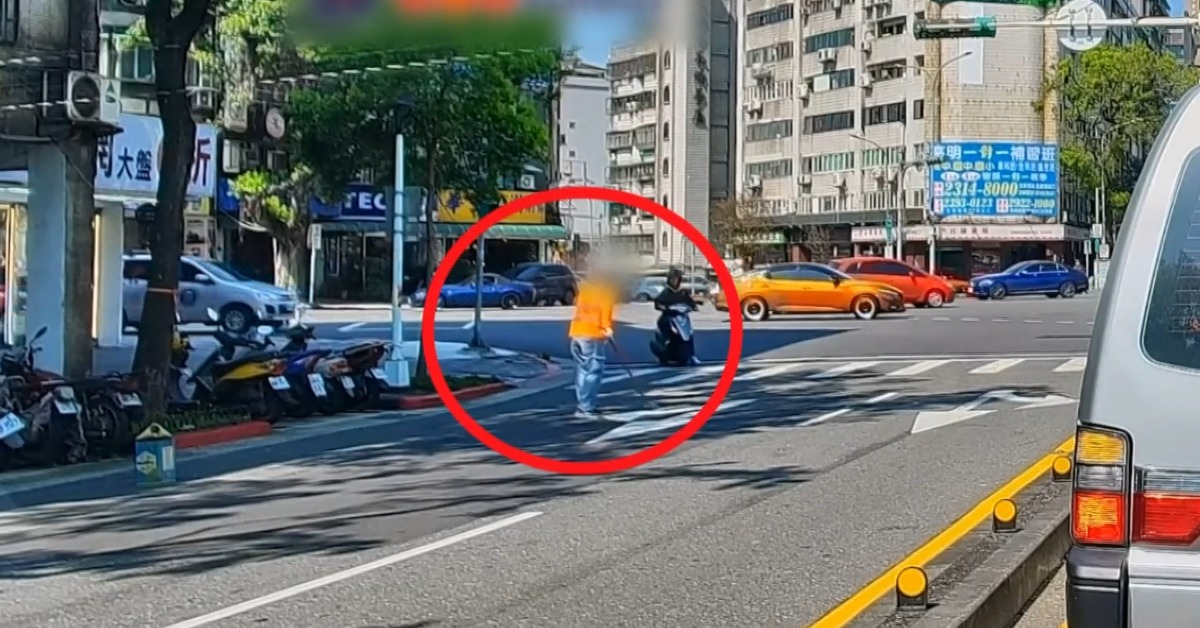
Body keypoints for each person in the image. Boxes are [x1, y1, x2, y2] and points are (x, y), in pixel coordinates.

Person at [568, 264, 619, 420]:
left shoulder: (586, 290)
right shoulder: (606, 291)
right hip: (593, 334)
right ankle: (586, 406)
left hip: (576, 332)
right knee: (593, 370)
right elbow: (605, 311)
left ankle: (583, 403)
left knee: (582, 369)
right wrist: (607, 329)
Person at [652, 268, 700, 366]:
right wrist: (665, 308)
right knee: (666, 326)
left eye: (676, 279)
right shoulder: (666, 292)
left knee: (689, 333)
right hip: (669, 317)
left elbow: (690, 302)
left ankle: (692, 356)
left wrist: (693, 306)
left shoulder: (683, 292)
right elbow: (657, 303)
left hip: (681, 317)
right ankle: (664, 348)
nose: (674, 281)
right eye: (672, 279)